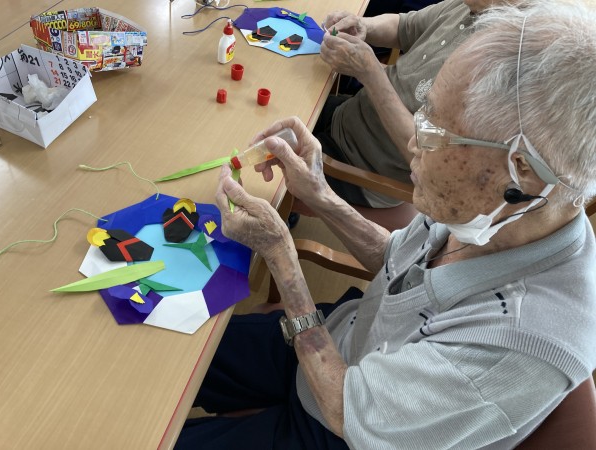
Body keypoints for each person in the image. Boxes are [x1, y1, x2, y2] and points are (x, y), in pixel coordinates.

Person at [176, 1, 596, 448]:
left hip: (344, 425)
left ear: (520, 173)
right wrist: (320, 193)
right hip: (340, 341)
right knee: (167, 355)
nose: (413, 141)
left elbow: (346, 411)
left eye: (435, 133)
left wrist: (282, 257)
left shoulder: (515, 346)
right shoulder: (495, 212)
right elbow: (396, 259)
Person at [316, 0, 519, 211]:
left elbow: (426, 155)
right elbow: (406, 26)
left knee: (289, 147)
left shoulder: (502, 65)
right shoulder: (472, 5)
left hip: (359, 168)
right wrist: (364, 25)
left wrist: (370, 73)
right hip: (347, 116)